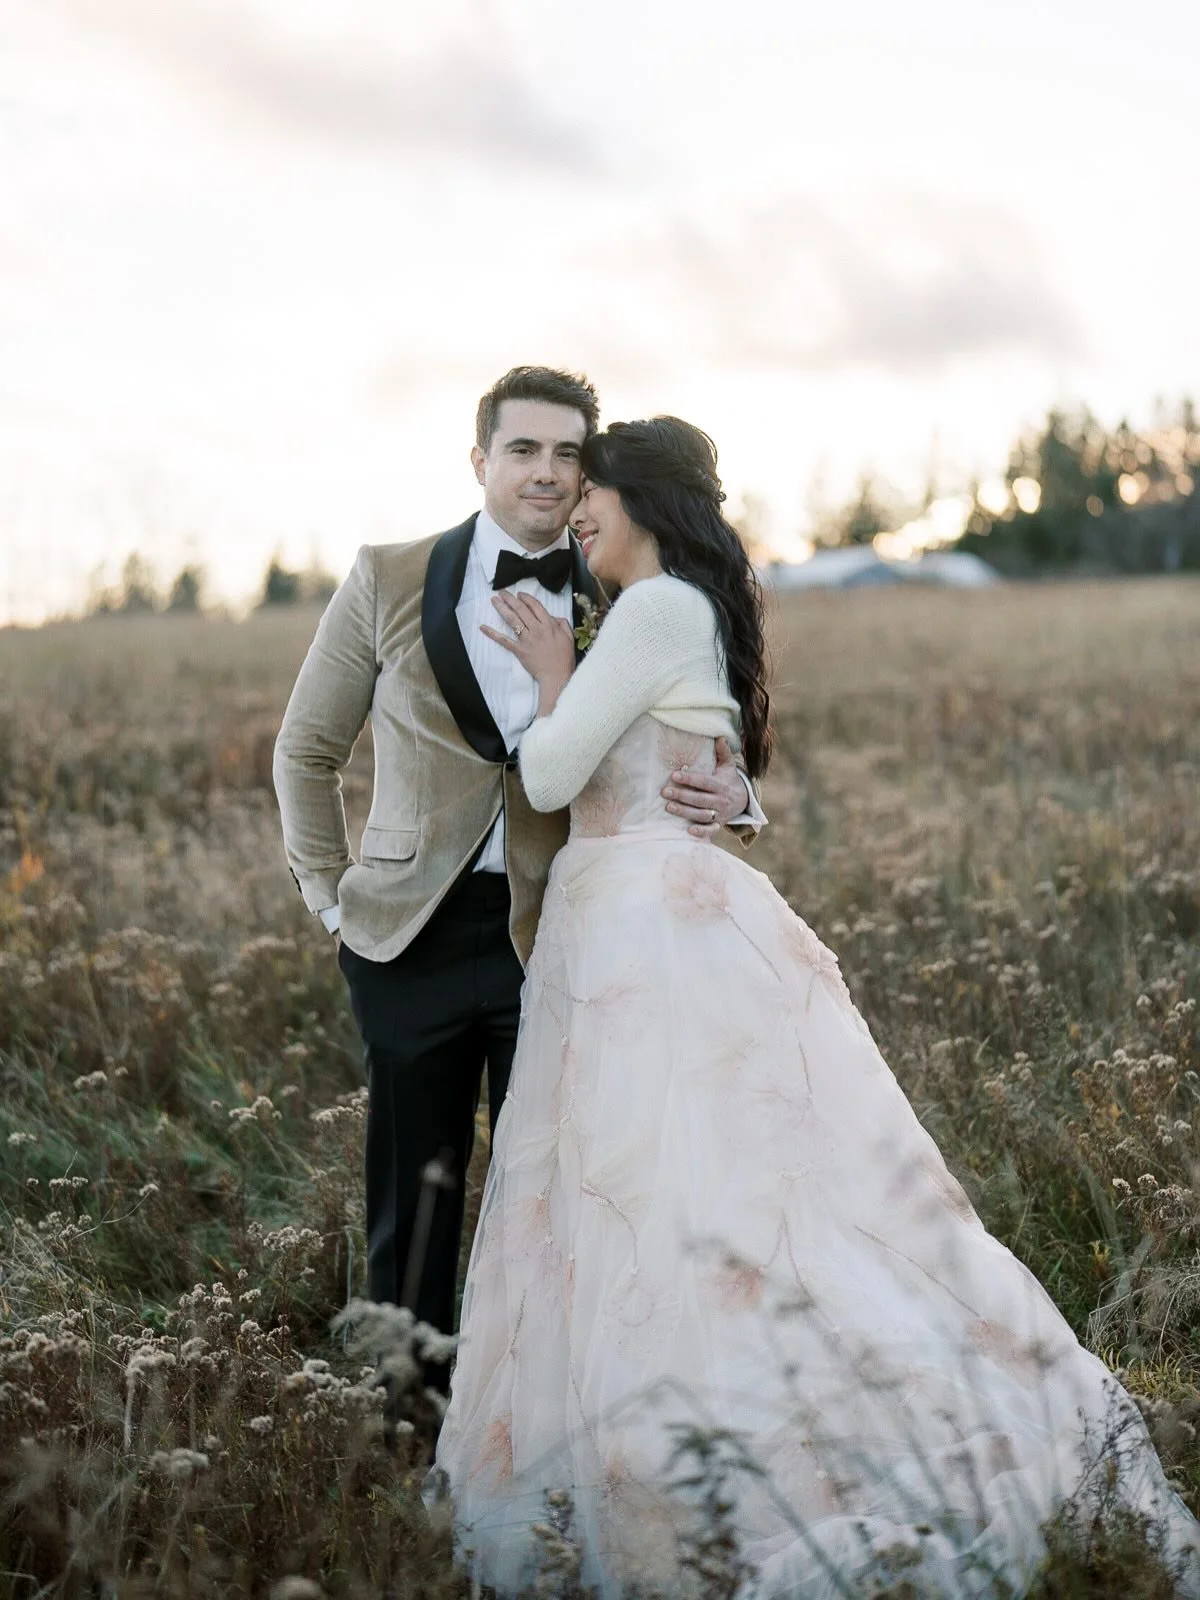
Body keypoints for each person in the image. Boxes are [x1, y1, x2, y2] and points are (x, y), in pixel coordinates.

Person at [432, 417, 1200, 1597]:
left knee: (660, 1200)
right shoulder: (678, 606)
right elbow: (694, 759)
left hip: (641, 932)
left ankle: (688, 1477)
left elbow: (549, 772)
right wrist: (732, 790)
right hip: (644, 919)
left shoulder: (650, 607)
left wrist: (550, 678)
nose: (577, 510)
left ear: (644, 500)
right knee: (693, 1196)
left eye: (593, 492)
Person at [272, 369, 762, 1393]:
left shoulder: (622, 580)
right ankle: (406, 1416)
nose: (547, 472)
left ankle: (541, 1412)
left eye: (568, 453)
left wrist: (738, 797)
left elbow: (684, 719)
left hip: (565, 934)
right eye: (524, 449)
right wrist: (328, 899)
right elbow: (306, 750)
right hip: (406, 934)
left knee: (564, 1191)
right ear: (480, 459)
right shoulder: (388, 575)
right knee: (412, 1199)